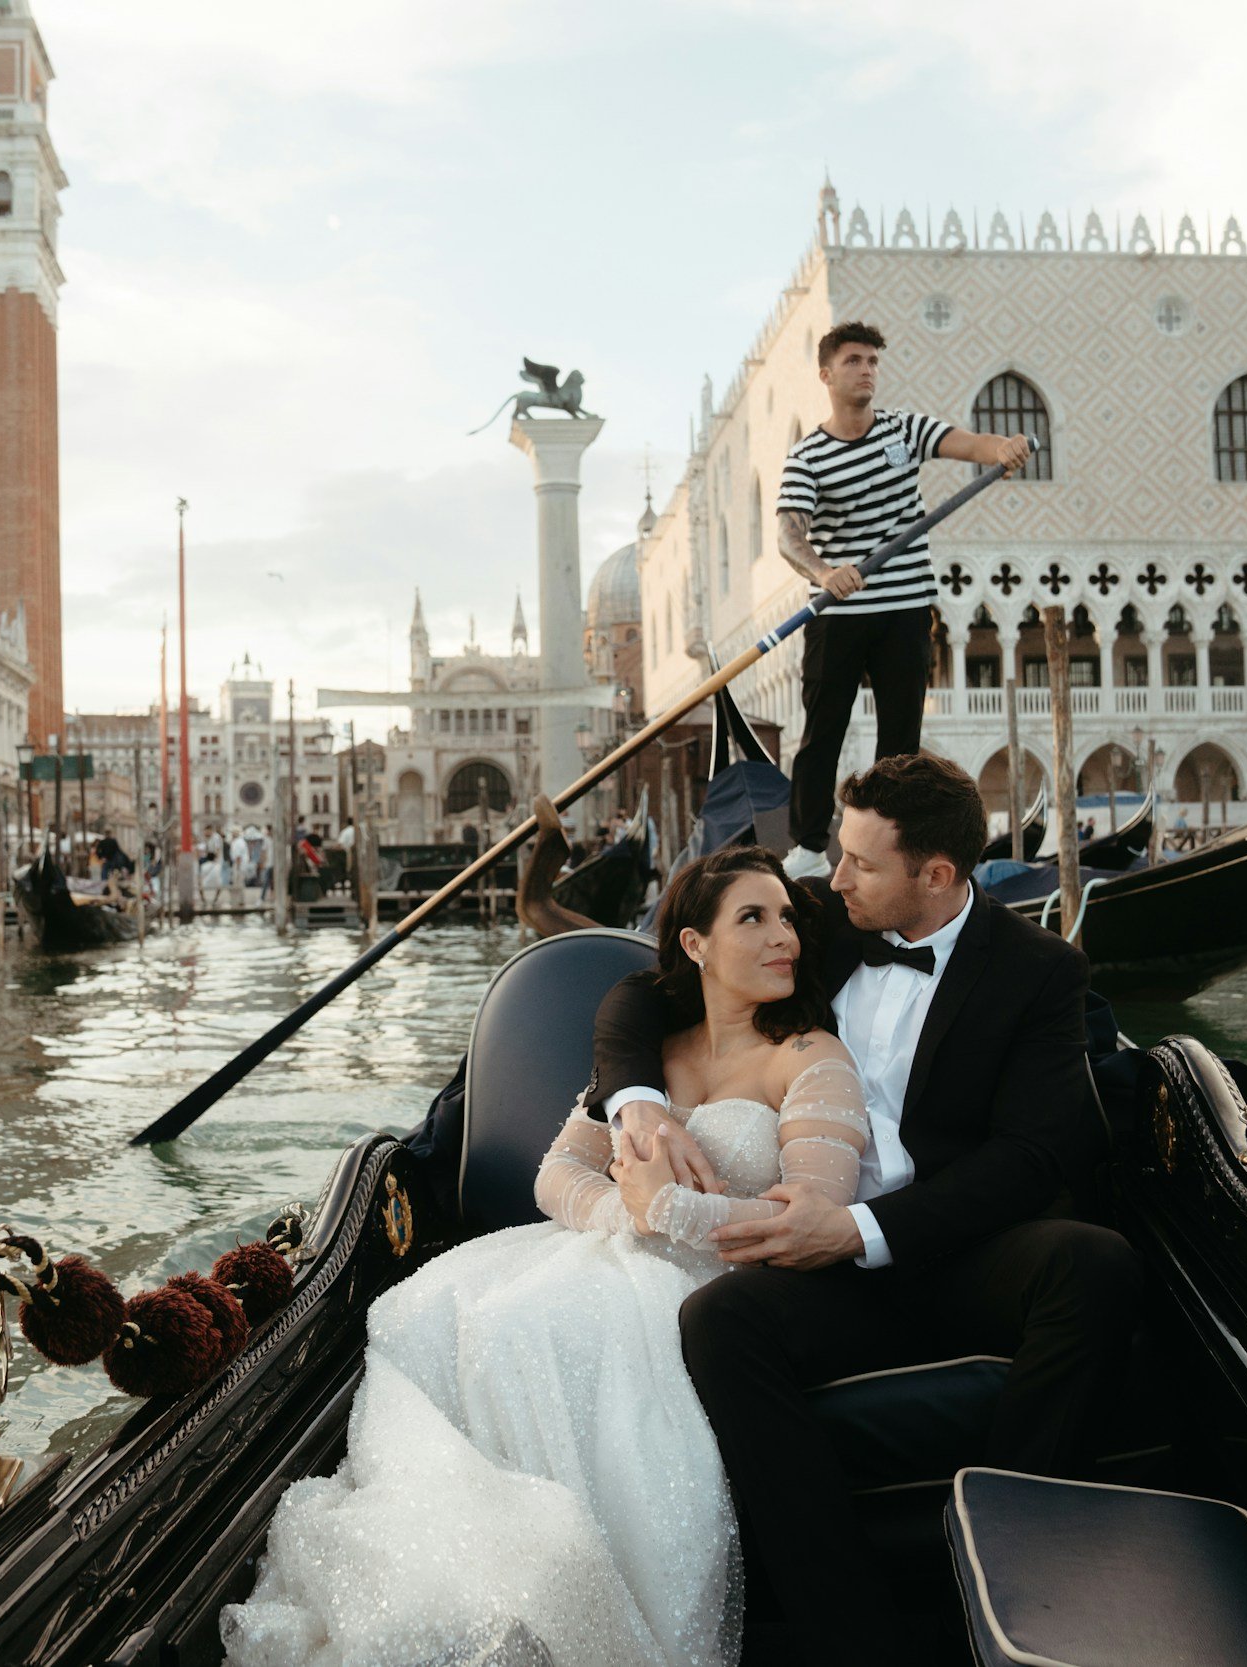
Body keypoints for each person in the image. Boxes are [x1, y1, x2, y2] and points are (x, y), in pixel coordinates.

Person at [223, 847, 867, 1667]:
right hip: (606, 1252)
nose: (784, 936)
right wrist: (623, 1215)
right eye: (755, 917)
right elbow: (556, 1172)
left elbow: (807, 1217)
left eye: (787, 918)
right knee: (444, 1314)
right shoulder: (652, 1052)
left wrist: (667, 1209)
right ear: (697, 944)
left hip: (719, 1289)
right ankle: (475, 1584)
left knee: (540, 1333)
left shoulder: (812, 1058)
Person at [589, 752, 1137, 1660]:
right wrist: (634, 1100)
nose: (831, 878)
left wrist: (858, 1228)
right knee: (719, 1318)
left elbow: (1037, 1154)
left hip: (954, 1245)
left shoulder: (1040, 972)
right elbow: (633, 994)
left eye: (859, 862)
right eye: (835, 854)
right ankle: (852, 1639)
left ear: (936, 875)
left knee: (1095, 1264)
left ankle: (1016, 1575)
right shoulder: (825, 921)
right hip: (826, 1259)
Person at [777, 321, 1032, 879]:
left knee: (900, 743)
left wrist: (1003, 449)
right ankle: (809, 849)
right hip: (841, 610)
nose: (866, 369)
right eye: (853, 361)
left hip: (904, 609)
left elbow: (969, 444)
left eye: (872, 360)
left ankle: (884, 844)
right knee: (822, 735)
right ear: (826, 374)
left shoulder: (904, 430)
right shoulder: (808, 457)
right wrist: (823, 572)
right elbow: (789, 535)